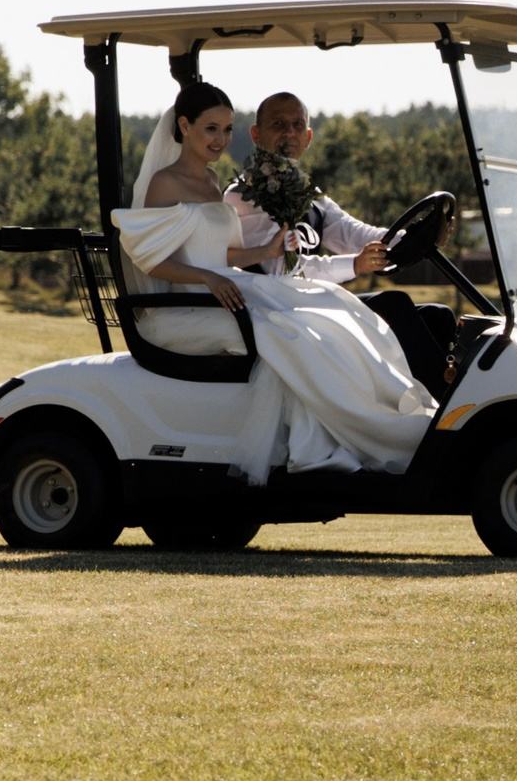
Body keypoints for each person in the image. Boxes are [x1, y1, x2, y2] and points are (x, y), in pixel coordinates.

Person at [116, 80, 432, 484]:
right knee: (296, 333)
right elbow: (152, 260)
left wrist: (265, 252)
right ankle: (347, 439)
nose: (220, 139)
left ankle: (376, 421)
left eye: (226, 129)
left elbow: (222, 253)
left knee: (335, 314)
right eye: (211, 128)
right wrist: (207, 278)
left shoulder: (211, 183)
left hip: (226, 291)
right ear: (185, 126)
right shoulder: (170, 183)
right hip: (194, 303)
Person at [230, 91, 460, 398]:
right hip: (278, 311)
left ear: (308, 137)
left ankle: (451, 405)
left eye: (298, 125)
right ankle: (444, 414)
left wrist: (417, 237)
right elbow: (281, 271)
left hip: (312, 305)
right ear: (257, 135)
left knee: (439, 315)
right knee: (394, 305)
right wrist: (355, 265)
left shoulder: (309, 194)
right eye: (278, 124)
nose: (289, 133)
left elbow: (355, 233)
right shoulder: (245, 196)